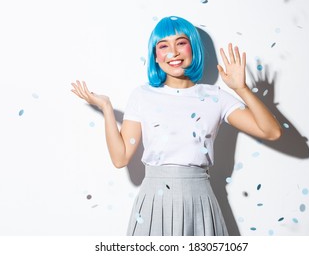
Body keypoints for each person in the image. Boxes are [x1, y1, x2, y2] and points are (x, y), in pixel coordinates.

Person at [71, 16, 282, 236]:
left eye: (181, 43)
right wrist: (106, 108)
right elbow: (120, 158)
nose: (173, 52)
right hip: (154, 201)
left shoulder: (215, 97)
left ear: (193, 47)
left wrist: (242, 89)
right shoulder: (142, 95)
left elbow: (272, 132)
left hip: (200, 200)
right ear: (155, 55)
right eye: (163, 46)